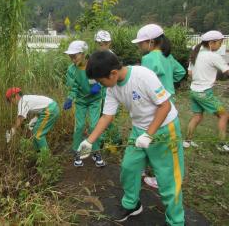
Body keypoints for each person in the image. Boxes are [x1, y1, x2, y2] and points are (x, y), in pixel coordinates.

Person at [78, 51, 185, 226]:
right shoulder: (112, 87)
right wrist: (89, 141)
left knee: (168, 179)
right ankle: (132, 204)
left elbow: (164, 105)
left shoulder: (143, 76)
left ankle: (176, 221)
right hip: (138, 130)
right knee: (129, 167)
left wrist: (149, 134)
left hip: (165, 129)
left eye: (100, 81)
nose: (101, 85)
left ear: (113, 73)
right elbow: (107, 116)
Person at [132, 24, 186, 188]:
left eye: (141, 43)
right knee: (160, 138)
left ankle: (151, 173)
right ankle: (149, 170)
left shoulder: (148, 59)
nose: (139, 46)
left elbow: (143, 81)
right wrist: (168, 84)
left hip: (155, 104)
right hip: (169, 102)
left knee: (148, 134)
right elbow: (181, 72)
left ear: (151, 41)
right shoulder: (167, 56)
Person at [185, 30, 229, 152]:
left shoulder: (195, 55)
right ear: (211, 43)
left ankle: (187, 141)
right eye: (220, 43)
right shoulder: (214, 56)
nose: (220, 45)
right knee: (224, 115)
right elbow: (227, 71)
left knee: (197, 116)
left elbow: (190, 73)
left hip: (194, 91)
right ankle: (221, 144)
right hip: (204, 93)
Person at [63, 40, 106, 167]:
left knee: (94, 126)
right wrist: (70, 98)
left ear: (83, 54)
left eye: (74, 56)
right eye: (70, 56)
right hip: (81, 101)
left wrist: (99, 85)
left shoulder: (94, 65)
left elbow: (104, 79)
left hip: (95, 100)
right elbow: (74, 87)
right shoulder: (72, 70)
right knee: (80, 126)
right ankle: (78, 152)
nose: (72, 59)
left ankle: (95, 152)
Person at [95, 30, 122, 145]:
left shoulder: (111, 56)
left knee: (108, 114)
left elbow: (116, 74)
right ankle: (105, 137)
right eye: (100, 44)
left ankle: (114, 138)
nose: (103, 46)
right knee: (101, 113)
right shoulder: (96, 56)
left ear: (109, 43)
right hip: (101, 90)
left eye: (105, 43)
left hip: (111, 89)